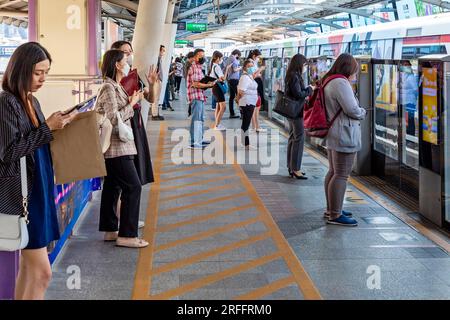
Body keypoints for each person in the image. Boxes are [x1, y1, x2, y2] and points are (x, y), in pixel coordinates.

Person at [0, 42, 74, 300]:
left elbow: (38, 140)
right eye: (38, 72)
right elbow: (8, 152)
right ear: (21, 70)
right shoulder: (6, 103)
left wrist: (58, 125)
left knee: (30, 271)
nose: (43, 78)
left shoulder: (31, 101)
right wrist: (47, 128)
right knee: (42, 273)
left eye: (46, 72)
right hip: (24, 197)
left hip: (39, 189)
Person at [97, 49, 148, 247]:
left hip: (118, 146)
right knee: (132, 187)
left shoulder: (115, 86)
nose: (128, 63)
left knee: (112, 187)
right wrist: (132, 103)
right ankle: (127, 235)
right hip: (116, 148)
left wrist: (131, 101)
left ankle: (110, 229)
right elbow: (112, 119)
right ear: (117, 64)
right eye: (125, 60)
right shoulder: (108, 87)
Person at [110, 41, 158, 230]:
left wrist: (152, 84)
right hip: (122, 128)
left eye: (130, 53)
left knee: (132, 172)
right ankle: (122, 220)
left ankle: (124, 217)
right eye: (124, 53)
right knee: (124, 178)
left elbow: (151, 99)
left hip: (134, 126)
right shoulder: (111, 81)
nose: (128, 56)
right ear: (115, 57)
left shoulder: (133, 75)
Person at [323, 53, 366, 227]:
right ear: (348, 69)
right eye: (355, 71)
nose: (355, 75)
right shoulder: (341, 83)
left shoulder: (329, 80)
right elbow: (352, 109)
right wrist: (362, 112)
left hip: (334, 133)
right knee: (341, 174)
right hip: (343, 134)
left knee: (334, 171)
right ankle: (335, 214)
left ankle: (332, 208)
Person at [285, 54, 314, 180]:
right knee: (299, 139)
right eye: (305, 65)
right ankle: (296, 169)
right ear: (299, 64)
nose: (305, 67)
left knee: (292, 138)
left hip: (291, 111)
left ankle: (291, 167)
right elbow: (298, 94)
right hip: (296, 112)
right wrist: (310, 89)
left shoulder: (290, 75)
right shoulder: (295, 76)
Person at [187, 48, 215, 149]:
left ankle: (200, 139)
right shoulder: (194, 67)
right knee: (196, 119)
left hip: (200, 96)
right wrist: (209, 85)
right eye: (200, 56)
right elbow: (195, 84)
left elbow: (200, 82)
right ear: (195, 57)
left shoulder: (199, 67)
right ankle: (194, 142)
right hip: (196, 96)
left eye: (203, 55)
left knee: (201, 119)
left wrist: (207, 83)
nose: (202, 58)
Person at [237, 60, 259, 149]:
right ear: (245, 67)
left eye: (252, 66)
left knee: (246, 123)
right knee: (246, 123)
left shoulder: (249, 76)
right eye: (249, 66)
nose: (251, 68)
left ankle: (244, 142)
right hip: (247, 102)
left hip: (250, 102)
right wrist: (239, 101)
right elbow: (241, 91)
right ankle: (246, 144)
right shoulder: (245, 77)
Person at [247, 49, 266, 133]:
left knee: (255, 108)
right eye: (258, 57)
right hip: (255, 87)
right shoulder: (250, 63)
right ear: (254, 56)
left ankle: (255, 126)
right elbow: (253, 76)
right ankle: (256, 127)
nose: (258, 59)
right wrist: (260, 69)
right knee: (256, 108)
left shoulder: (252, 63)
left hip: (255, 86)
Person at [209, 51, 227, 131]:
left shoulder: (213, 66)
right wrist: (227, 70)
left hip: (215, 88)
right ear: (218, 58)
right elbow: (223, 78)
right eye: (221, 58)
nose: (221, 60)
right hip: (218, 88)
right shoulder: (217, 67)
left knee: (218, 107)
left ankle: (217, 124)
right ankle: (217, 125)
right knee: (223, 107)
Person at [226, 49, 242, 119]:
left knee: (231, 97)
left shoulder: (228, 58)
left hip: (229, 79)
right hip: (234, 80)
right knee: (239, 96)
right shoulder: (234, 59)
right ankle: (243, 113)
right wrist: (240, 68)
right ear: (237, 54)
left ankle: (232, 113)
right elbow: (235, 69)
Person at [152, 45, 166, 121]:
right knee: (155, 98)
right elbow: (155, 69)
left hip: (159, 80)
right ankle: (154, 115)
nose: (163, 52)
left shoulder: (159, 59)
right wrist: (156, 78)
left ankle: (156, 113)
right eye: (162, 50)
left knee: (157, 98)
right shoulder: (157, 59)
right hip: (157, 80)